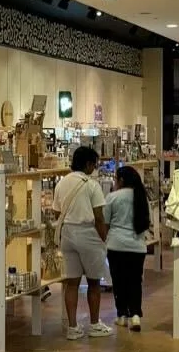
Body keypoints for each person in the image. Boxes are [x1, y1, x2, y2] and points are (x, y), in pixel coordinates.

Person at [54, 145, 112, 339]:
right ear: (88, 164)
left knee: (72, 283)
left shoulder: (62, 183)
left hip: (67, 234)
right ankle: (94, 324)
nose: (94, 169)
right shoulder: (91, 185)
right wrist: (104, 239)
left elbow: (57, 212)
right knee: (94, 282)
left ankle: (72, 327)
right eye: (94, 165)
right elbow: (99, 217)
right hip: (88, 233)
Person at [104, 163, 154, 330]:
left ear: (122, 180)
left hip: (116, 245)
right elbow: (147, 222)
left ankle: (122, 315)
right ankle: (135, 315)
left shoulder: (113, 197)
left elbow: (105, 222)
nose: (115, 182)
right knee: (135, 281)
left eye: (116, 179)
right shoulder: (141, 197)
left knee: (119, 281)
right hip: (137, 246)